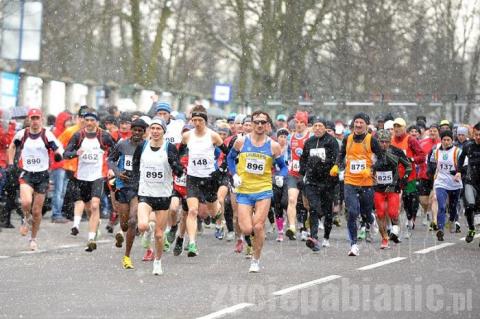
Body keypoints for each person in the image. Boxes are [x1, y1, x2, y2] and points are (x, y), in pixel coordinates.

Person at [227, 110, 287, 272]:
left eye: (263, 122)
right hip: (244, 190)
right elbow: (230, 159)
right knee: (247, 229)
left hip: (263, 190)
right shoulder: (241, 142)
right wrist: (234, 175)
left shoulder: (273, 146)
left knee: (258, 226)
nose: (259, 125)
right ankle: (252, 241)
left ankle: (255, 259)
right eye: (256, 122)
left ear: (267, 125)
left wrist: (280, 176)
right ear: (252, 124)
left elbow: (283, 167)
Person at [132, 118, 183, 275]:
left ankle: (157, 262)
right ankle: (146, 232)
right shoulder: (142, 146)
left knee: (160, 235)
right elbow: (135, 165)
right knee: (141, 225)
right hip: (145, 193)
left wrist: (175, 165)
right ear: (149, 130)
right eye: (152, 128)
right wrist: (135, 183)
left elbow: (179, 170)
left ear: (163, 131)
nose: (155, 131)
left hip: (163, 195)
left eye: (158, 128)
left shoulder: (170, 148)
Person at [8, 108, 64, 250]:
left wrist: (58, 154)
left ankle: (33, 239)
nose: (34, 121)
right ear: (29, 119)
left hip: (42, 175)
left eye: (37, 118)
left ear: (41, 119)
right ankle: (25, 218)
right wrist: (10, 163)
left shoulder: (47, 134)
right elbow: (12, 146)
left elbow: (58, 148)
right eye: (32, 118)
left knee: (37, 211)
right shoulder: (23, 134)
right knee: (26, 202)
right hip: (27, 173)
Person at [63, 109, 116, 252]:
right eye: (87, 120)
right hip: (81, 177)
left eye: (93, 120)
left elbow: (116, 151)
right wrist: (76, 153)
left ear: (97, 122)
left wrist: (111, 166)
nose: (90, 123)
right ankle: (95, 224)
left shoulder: (104, 136)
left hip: (97, 176)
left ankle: (91, 239)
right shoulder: (78, 136)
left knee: (95, 205)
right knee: (88, 208)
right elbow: (66, 154)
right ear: (83, 121)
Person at [331, 112, 383, 256]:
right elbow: (341, 155)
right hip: (350, 181)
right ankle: (353, 245)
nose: (358, 125)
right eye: (356, 122)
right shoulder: (348, 138)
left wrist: (371, 169)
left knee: (366, 212)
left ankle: (371, 220)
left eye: (361, 123)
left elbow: (382, 158)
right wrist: (337, 166)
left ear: (366, 125)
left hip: (366, 182)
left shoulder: (371, 140)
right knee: (352, 212)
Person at [181, 105, 227, 257]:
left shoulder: (213, 136)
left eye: (200, 120)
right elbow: (178, 153)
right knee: (192, 211)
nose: (197, 123)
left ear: (205, 121)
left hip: (209, 178)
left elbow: (227, 153)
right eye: (194, 120)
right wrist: (176, 165)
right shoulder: (187, 136)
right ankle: (192, 243)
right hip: (193, 178)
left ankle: (219, 217)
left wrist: (221, 169)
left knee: (213, 212)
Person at [107, 118, 148, 269]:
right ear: (131, 130)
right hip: (123, 185)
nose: (137, 133)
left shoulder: (147, 147)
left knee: (132, 221)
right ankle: (121, 235)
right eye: (135, 130)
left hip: (139, 187)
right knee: (124, 224)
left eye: (140, 131)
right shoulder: (123, 144)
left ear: (144, 132)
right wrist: (118, 173)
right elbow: (110, 160)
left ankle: (127, 257)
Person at [299, 117, 339, 251]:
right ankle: (314, 237)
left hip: (327, 181)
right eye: (315, 126)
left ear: (325, 127)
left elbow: (335, 159)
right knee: (314, 208)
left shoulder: (331, 141)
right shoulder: (309, 142)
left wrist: (321, 162)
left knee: (327, 211)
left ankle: (326, 237)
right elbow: (303, 158)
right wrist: (303, 171)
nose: (317, 128)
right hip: (312, 181)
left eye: (320, 126)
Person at [372, 129, 411, 248]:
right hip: (378, 188)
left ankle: (395, 230)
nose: (384, 144)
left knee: (393, 213)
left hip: (393, 187)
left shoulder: (396, 151)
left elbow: (408, 166)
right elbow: (367, 166)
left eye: (386, 142)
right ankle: (384, 238)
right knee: (380, 214)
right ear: (377, 141)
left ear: (390, 141)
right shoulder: (372, 152)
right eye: (381, 141)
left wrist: (403, 180)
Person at [391, 117, 425, 238]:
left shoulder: (410, 140)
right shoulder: (390, 140)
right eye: (395, 126)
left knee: (408, 201)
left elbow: (422, 156)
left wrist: (411, 159)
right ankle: (395, 228)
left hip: (408, 176)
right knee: (395, 202)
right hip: (394, 176)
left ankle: (410, 218)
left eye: (399, 126)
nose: (396, 129)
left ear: (404, 128)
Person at [428, 130, 463, 241]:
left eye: (448, 140)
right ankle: (440, 229)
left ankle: (452, 220)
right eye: (444, 140)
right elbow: (431, 163)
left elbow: (465, 166)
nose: (446, 142)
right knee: (441, 206)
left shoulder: (458, 151)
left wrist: (459, 172)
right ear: (441, 140)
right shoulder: (436, 152)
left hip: (454, 183)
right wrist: (431, 171)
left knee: (452, 207)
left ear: (452, 140)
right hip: (441, 182)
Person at [285, 111, 311, 241]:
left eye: (301, 122)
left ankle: (307, 228)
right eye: (297, 122)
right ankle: (292, 227)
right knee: (291, 200)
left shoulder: (310, 136)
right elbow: (286, 153)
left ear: (306, 124)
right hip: (293, 174)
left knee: (307, 205)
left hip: (306, 175)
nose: (299, 125)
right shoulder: (291, 137)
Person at [458, 122, 480, 245]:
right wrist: (459, 171)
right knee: (470, 206)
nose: (478, 137)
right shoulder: (468, 146)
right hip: (470, 181)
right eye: (476, 135)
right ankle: (471, 229)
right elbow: (461, 159)